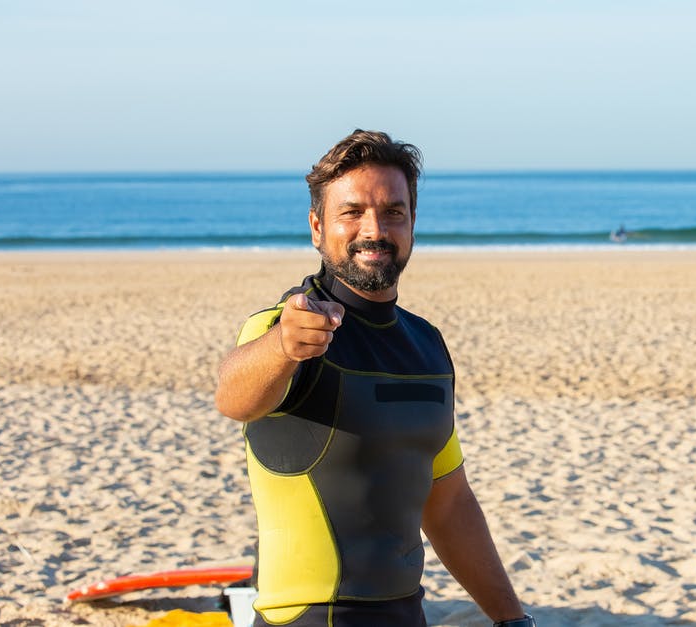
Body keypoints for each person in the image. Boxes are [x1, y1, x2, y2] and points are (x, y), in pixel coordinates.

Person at [215, 130, 535, 627]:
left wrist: (512, 619)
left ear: (412, 224)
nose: (374, 228)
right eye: (352, 212)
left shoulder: (426, 345)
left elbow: (448, 503)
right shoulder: (289, 326)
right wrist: (281, 346)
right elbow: (233, 396)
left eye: (393, 212)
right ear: (317, 227)